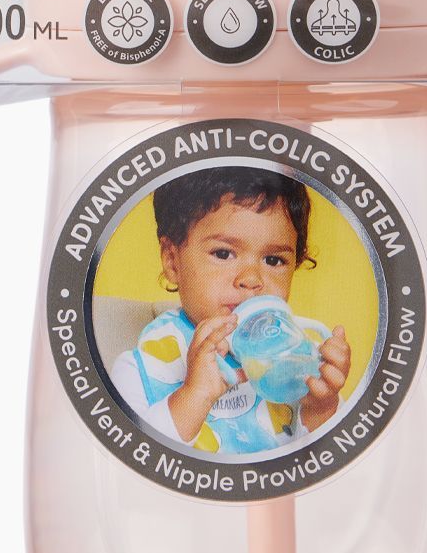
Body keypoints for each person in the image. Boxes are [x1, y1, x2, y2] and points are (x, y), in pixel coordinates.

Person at [108, 168, 351, 455]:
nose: (251, 279)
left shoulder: (297, 358)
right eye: (223, 254)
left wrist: (321, 410)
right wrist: (194, 395)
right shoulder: (139, 371)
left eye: (273, 260)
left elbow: (328, 465)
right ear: (173, 261)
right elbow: (131, 461)